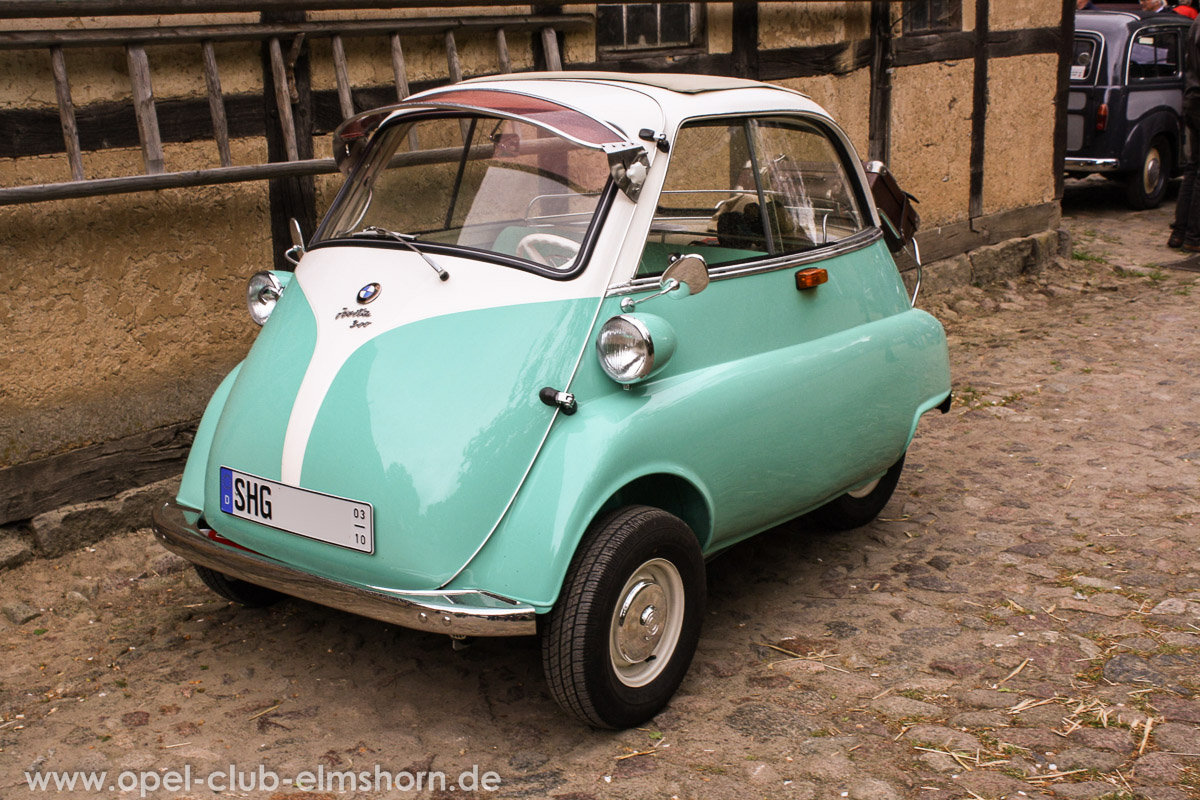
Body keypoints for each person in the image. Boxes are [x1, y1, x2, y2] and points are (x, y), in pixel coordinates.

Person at [1171, 17, 1200, 249]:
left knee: (1193, 168)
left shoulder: (1197, 22)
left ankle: (1180, 232)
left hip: (1194, 97)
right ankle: (1193, 236)